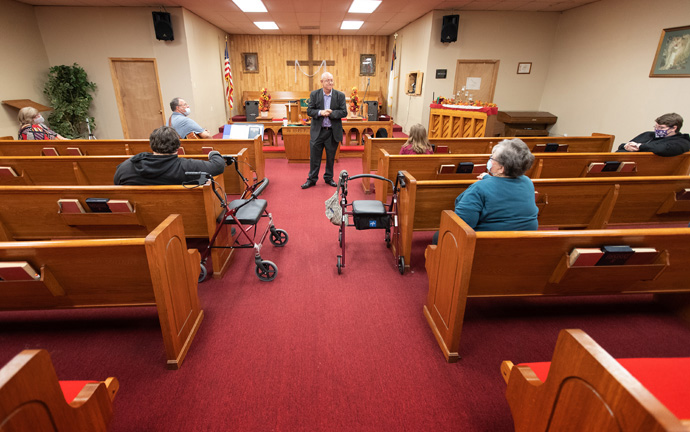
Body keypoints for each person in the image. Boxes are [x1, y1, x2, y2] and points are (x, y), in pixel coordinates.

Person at [432, 139, 538, 244]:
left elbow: (462, 225)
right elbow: (503, 187)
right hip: (523, 242)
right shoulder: (527, 182)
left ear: (501, 168)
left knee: (439, 236)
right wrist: (488, 178)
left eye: (492, 158)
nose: (490, 161)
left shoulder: (479, 188)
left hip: (488, 244)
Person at [114, 126, 224, 185]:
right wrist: (213, 153)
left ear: (152, 145)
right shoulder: (187, 166)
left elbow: (117, 183)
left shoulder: (126, 167)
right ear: (178, 147)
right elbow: (218, 166)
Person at [301, 71, 347, 189]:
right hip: (318, 131)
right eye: (327, 80)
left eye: (331, 80)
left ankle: (328, 178)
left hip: (332, 132)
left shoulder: (339, 95)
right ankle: (311, 179)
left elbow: (344, 112)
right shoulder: (314, 94)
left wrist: (331, 113)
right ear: (321, 82)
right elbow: (309, 111)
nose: (330, 82)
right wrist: (321, 112)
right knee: (315, 157)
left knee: (331, 158)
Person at [616, 113, 689, 157]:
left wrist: (639, 146)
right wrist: (626, 146)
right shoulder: (648, 134)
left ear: (674, 128)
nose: (657, 129)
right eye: (656, 126)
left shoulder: (682, 142)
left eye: (661, 127)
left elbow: (661, 149)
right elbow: (623, 145)